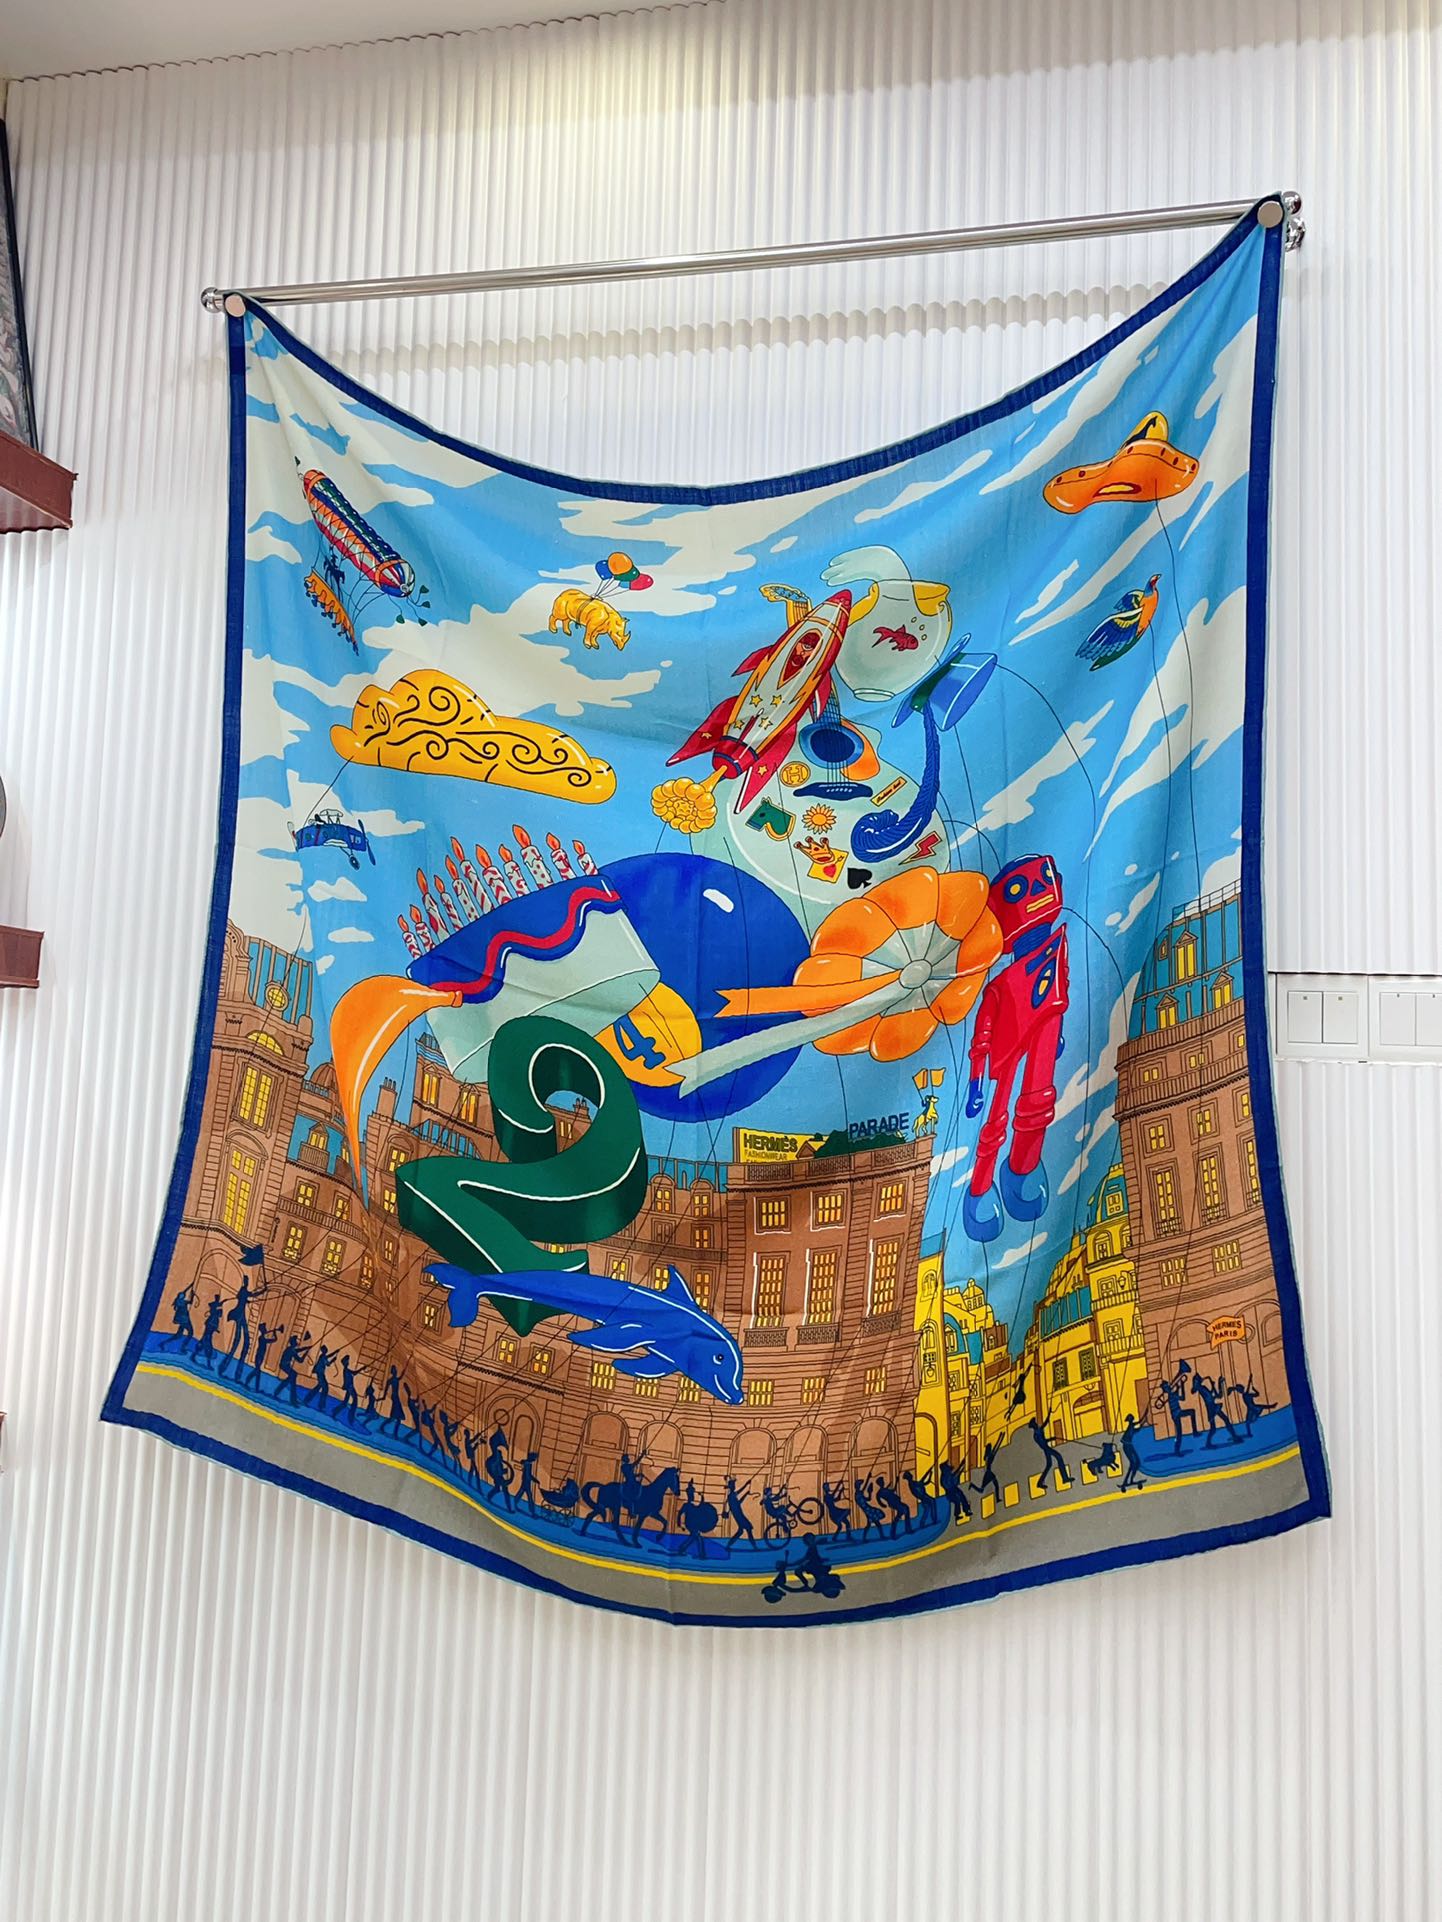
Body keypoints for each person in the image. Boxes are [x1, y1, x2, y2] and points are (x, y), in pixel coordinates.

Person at [222, 1274, 265, 1375]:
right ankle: (226, 1368)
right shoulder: (244, 1290)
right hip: (239, 1315)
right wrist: (263, 1290)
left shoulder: (243, 1291)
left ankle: (234, 1371)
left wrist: (246, 1300)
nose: (247, 1283)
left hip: (241, 1315)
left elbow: (243, 1298)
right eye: (246, 1281)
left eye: (247, 1282)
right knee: (239, 1341)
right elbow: (253, 1295)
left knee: (244, 1341)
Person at [1193, 1370, 1240, 1448]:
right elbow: (1194, 1390)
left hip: (1213, 1406)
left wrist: (1214, 1385)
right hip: (1211, 1408)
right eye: (1198, 1379)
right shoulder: (1200, 1388)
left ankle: (1234, 1436)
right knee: (1214, 1427)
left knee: (1225, 1420)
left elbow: (1213, 1395)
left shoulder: (1203, 1387)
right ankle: (1208, 1443)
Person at [1028, 1416, 1072, 1493]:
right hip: (1046, 1448)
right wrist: (1051, 1439)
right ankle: (1065, 1478)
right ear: (1033, 1426)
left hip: (1046, 1448)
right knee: (1059, 1457)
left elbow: (1044, 1426)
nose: (1036, 1423)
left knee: (1049, 1464)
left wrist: (1052, 1438)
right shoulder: (1036, 1433)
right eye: (1035, 1423)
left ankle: (1040, 1482)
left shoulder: (1038, 1431)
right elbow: (1043, 1441)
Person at [160, 1283, 197, 1350]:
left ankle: (163, 1343)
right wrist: (192, 1295)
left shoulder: (180, 1301)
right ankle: (183, 1347)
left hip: (183, 1319)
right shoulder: (180, 1302)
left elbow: (186, 1294)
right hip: (184, 1320)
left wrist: (191, 1288)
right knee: (190, 1332)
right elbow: (190, 1302)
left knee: (178, 1335)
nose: (183, 1295)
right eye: (182, 1295)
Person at [277, 1331, 311, 1403]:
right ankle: (293, 1399)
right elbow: (300, 1360)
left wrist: (306, 1348)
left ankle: (278, 1391)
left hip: (284, 1365)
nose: (296, 1342)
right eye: (295, 1341)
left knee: (291, 1378)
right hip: (284, 1365)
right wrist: (305, 1353)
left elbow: (298, 1350)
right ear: (293, 1343)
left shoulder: (290, 1349)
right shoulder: (292, 1350)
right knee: (293, 1376)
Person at [248, 1320, 281, 1390]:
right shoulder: (261, 1338)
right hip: (259, 1356)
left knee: (256, 1371)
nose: (266, 1329)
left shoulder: (263, 1337)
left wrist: (274, 1332)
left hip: (260, 1356)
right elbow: (274, 1340)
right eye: (264, 1328)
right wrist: (274, 1333)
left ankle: (248, 1383)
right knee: (257, 1372)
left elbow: (274, 1340)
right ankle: (256, 1387)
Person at [195, 1294, 224, 1368]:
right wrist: (219, 1305)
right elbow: (216, 1312)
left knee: (202, 1342)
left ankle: (194, 1356)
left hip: (209, 1328)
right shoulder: (214, 1309)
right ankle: (208, 1363)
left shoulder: (214, 1310)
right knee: (208, 1345)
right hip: (209, 1329)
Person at [724, 1476, 755, 1545]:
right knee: (748, 1529)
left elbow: (739, 1502)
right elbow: (740, 1491)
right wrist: (746, 1484)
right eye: (733, 1485)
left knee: (741, 1531)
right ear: (731, 1487)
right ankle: (754, 1546)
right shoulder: (731, 1495)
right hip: (739, 1515)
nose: (734, 1486)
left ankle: (728, 1545)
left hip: (738, 1515)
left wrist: (746, 1494)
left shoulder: (731, 1495)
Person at [973, 1436, 1003, 1505]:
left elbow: (995, 1448)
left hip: (987, 1473)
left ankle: (972, 1485)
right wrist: (1000, 1439)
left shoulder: (986, 1457)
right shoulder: (990, 1456)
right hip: (989, 1473)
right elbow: (996, 1448)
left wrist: (1000, 1439)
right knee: (994, 1486)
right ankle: (997, 1499)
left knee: (983, 1489)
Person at [1120, 1413, 1146, 1491]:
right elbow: (1139, 1423)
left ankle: (1131, 1479)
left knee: (1137, 1462)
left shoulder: (1132, 1427)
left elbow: (1138, 1427)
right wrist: (1144, 1417)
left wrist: (1144, 1420)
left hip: (1129, 1446)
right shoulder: (1131, 1426)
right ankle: (1127, 1480)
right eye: (1131, 1418)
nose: (1132, 1420)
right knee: (1133, 1463)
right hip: (1127, 1446)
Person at [304, 1344, 334, 1410]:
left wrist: (334, 1354)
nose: (326, 1350)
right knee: (325, 1388)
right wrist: (333, 1359)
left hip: (320, 1374)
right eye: (325, 1349)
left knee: (318, 1388)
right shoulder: (323, 1357)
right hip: (320, 1374)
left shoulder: (323, 1356)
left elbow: (328, 1357)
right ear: (323, 1350)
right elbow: (328, 1363)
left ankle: (307, 1400)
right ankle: (321, 1405)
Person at [338, 1356, 361, 1424]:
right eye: (347, 1361)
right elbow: (353, 1373)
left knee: (345, 1402)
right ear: (345, 1363)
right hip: (350, 1387)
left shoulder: (347, 1370)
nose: (348, 1362)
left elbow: (354, 1373)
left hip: (349, 1387)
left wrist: (361, 1369)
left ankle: (335, 1412)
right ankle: (350, 1418)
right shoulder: (346, 1370)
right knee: (355, 1401)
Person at [516, 1451, 540, 1516]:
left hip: (525, 1481)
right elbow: (528, 1475)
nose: (535, 1460)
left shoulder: (527, 1463)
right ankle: (532, 1511)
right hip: (526, 1482)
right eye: (535, 1458)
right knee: (529, 1496)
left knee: (521, 1493)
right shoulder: (528, 1464)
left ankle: (514, 1503)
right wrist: (535, 1480)